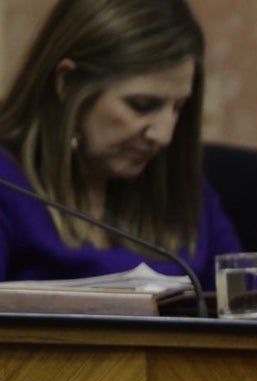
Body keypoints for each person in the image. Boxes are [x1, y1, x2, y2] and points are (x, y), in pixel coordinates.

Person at [0, 0, 239, 289]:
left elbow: (245, 311)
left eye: (178, 108)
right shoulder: (8, 184)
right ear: (67, 83)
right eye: (141, 105)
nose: (164, 136)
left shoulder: (182, 188)